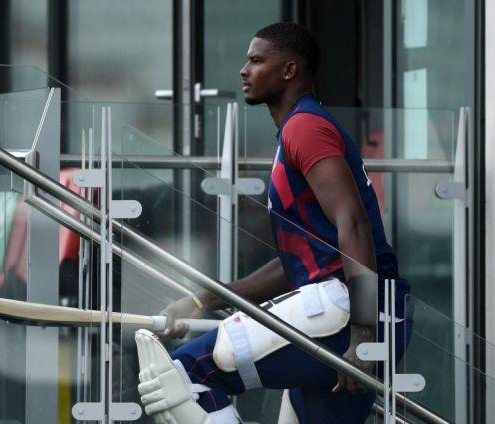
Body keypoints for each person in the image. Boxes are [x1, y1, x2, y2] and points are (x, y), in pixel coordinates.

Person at [134, 22, 411, 424]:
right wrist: (200, 301)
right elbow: (298, 261)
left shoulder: (306, 127)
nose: (244, 70)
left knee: (182, 375)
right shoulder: (299, 129)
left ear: (289, 70)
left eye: (257, 60)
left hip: (352, 317)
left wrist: (363, 338)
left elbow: (353, 222)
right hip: (361, 315)